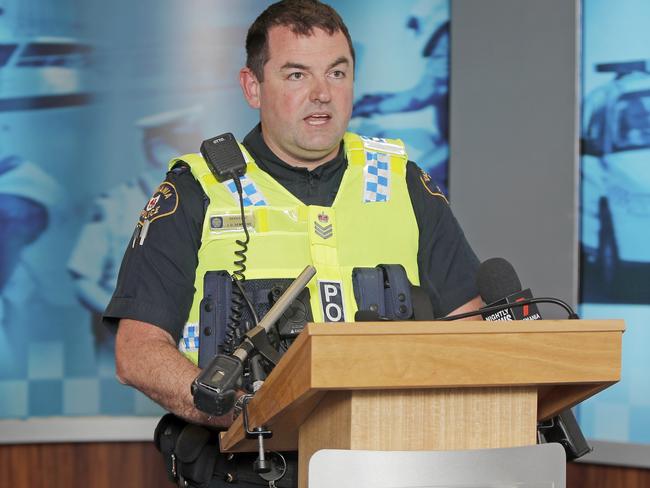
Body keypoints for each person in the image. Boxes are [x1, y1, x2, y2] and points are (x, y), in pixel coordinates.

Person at [104, 1, 482, 486]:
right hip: (245, 468)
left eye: (337, 72)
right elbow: (137, 353)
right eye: (297, 75)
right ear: (253, 87)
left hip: (391, 463)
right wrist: (245, 410)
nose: (322, 95)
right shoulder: (194, 190)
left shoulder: (403, 182)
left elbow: (469, 331)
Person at [68, 107, 202, 356]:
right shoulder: (114, 204)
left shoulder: (210, 200)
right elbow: (84, 279)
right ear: (157, 148)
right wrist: (130, 321)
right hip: (125, 346)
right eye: (185, 144)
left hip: (194, 342)